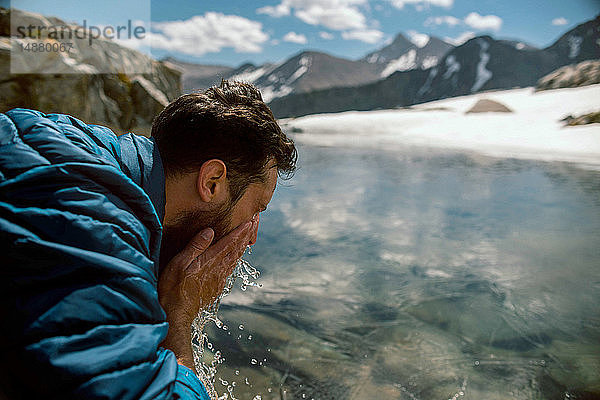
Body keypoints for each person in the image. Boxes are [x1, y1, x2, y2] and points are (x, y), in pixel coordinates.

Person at [0, 80, 297, 399]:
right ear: (212, 182)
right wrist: (178, 321)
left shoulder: (71, 144)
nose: (251, 237)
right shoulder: (98, 229)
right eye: (256, 210)